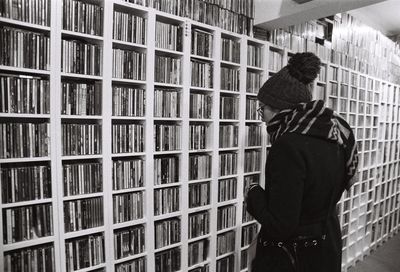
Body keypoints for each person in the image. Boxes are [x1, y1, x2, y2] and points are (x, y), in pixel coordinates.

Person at [245, 52, 358, 272]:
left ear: (280, 109)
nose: (261, 117)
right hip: (326, 244)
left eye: (263, 109)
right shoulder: (336, 135)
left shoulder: (287, 145)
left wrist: (253, 192)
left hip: (294, 256)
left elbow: (281, 225)